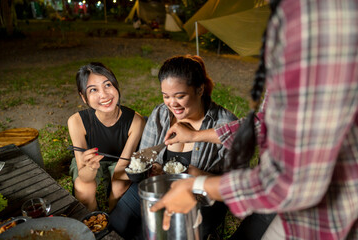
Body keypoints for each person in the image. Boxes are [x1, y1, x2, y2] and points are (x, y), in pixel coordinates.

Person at [151, 0, 358, 239]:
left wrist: (197, 185)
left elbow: (286, 183)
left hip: (329, 212)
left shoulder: (325, 40)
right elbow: (264, 122)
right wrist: (196, 136)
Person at [109, 55, 238, 239]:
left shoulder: (225, 124)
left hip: (199, 202)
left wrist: (200, 176)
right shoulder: (160, 114)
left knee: (150, 235)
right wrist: (153, 169)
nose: (172, 104)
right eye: (166, 96)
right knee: (116, 227)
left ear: (200, 89)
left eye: (180, 96)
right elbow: (146, 158)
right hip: (155, 190)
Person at [68, 62, 145, 211]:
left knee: (120, 189)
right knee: (83, 189)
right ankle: (93, 220)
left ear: (116, 85)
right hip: (90, 165)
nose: (103, 95)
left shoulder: (136, 121)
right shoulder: (76, 122)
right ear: (84, 97)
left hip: (121, 162)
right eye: (93, 90)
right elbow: (85, 176)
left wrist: (114, 198)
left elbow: (123, 165)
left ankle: (113, 220)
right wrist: (90, 167)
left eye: (108, 85)